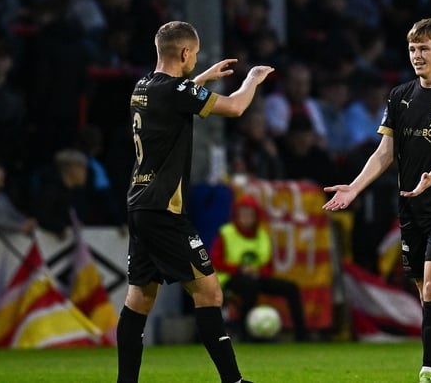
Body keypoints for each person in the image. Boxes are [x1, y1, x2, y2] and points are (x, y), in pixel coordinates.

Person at [323, 17, 431, 383]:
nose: (417, 55)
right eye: (412, 48)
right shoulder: (399, 96)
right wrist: (354, 187)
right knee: (428, 298)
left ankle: (427, 371)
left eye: (424, 48)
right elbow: (383, 153)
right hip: (411, 209)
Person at [118, 21, 274, 383]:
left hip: (139, 204)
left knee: (139, 298)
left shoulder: (143, 87)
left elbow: (173, 97)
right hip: (164, 211)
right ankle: (233, 382)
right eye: (196, 54)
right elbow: (235, 108)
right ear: (185, 53)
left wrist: (201, 78)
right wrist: (252, 79)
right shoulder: (175, 91)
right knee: (209, 292)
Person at [210, 195, 309, 342]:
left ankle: (302, 335)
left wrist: (258, 272)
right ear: (236, 215)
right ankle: (244, 332)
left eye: (250, 214)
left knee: (291, 288)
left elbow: (269, 266)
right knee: (250, 287)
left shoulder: (262, 236)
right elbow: (215, 261)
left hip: (256, 276)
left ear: (256, 217)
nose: (246, 218)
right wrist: (239, 269)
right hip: (231, 278)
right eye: (243, 214)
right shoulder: (226, 233)